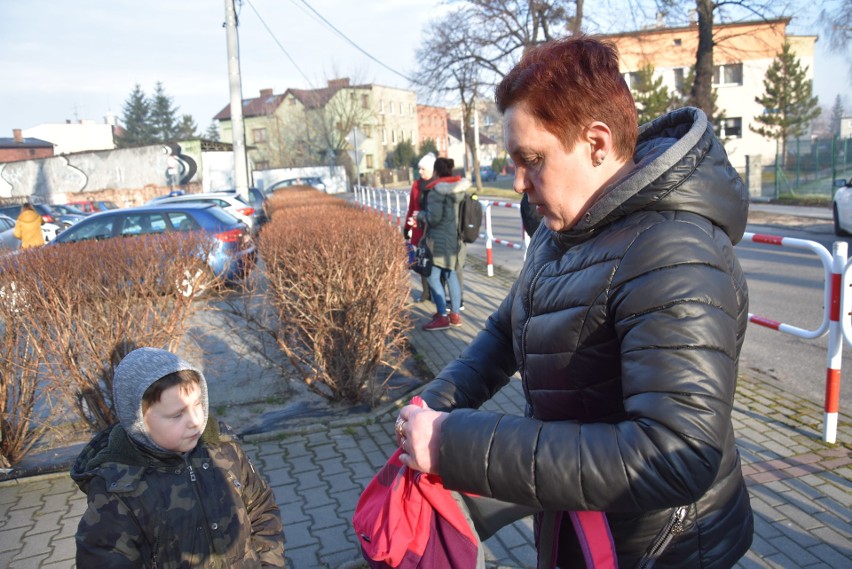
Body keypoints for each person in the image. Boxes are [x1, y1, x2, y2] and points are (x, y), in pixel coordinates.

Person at [393, 36, 753, 568]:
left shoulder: (674, 253)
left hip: (660, 549)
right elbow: (504, 331)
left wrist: (453, 443)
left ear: (597, 143)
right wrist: (434, 404)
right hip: (583, 525)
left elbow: (676, 455)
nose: (519, 183)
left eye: (532, 159)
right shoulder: (565, 228)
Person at [71, 347, 286, 568]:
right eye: (176, 415)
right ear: (138, 422)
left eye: (197, 404)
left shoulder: (223, 450)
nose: (195, 421)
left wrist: (269, 563)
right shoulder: (119, 493)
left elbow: (262, 509)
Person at [418, 157, 470, 331]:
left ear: (436, 172)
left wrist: (420, 216)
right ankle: (455, 315)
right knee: (451, 274)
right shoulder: (460, 189)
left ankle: (442, 316)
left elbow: (434, 218)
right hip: (455, 240)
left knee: (433, 277)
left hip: (439, 242)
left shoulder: (436, 191)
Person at [404, 153, 436, 302]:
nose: (420, 172)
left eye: (423, 169)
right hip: (418, 231)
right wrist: (406, 228)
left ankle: (436, 293)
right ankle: (425, 293)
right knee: (421, 259)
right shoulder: (416, 185)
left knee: (434, 264)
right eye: (419, 169)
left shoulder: (437, 185)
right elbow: (411, 208)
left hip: (433, 231)